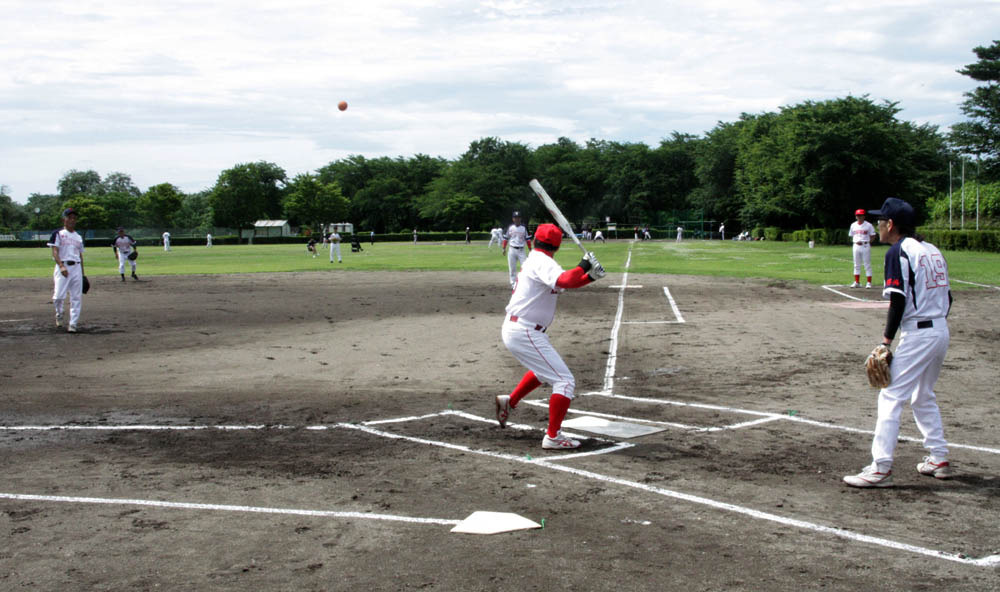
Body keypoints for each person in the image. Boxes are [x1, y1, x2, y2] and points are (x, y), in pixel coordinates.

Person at [843, 197, 954, 488]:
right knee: (922, 394)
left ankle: (880, 467)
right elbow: (948, 298)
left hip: (919, 334)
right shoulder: (931, 250)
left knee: (890, 396)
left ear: (890, 225)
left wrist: (886, 341)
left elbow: (898, 300)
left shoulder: (898, 251)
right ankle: (938, 457)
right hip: (940, 330)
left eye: (881, 221)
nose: (877, 226)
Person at [494, 224, 606, 449]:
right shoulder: (541, 261)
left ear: (534, 239)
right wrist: (583, 265)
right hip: (524, 331)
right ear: (557, 245)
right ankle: (553, 437)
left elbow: (567, 283)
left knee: (543, 371)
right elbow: (564, 280)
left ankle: (510, 401)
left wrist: (590, 277)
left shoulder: (540, 261)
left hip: (522, 329)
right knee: (564, 381)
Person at [48, 208, 85, 333]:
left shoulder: (78, 237)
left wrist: (83, 275)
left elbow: (80, 255)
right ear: (64, 219)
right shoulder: (58, 233)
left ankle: (73, 324)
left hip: (77, 268)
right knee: (58, 297)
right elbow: (55, 251)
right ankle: (59, 313)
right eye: (69, 217)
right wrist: (61, 266)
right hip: (63, 266)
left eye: (74, 218)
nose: (72, 220)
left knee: (76, 297)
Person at [849, 208, 877, 288]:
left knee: (867, 264)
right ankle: (857, 282)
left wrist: (867, 242)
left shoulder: (868, 225)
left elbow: (873, 235)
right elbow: (851, 235)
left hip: (865, 245)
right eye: (857, 215)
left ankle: (869, 282)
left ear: (864, 216)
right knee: (856, 264)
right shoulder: (853, 225)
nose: (859, 217)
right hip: (856, 245)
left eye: (860, 215)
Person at [503, 211, 530, 289]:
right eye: (515, 218)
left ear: (520, 218)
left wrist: (530, 249)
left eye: (518, 218)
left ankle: (525, 283)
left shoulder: (524, 228)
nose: (517, 219)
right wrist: (504, 248)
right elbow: (506, 238)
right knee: (512, 268)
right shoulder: (510, 227)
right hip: (512, 249)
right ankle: (513, 284)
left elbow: (528, 239)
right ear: (513, 219)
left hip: (521, 250)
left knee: (525, 268)